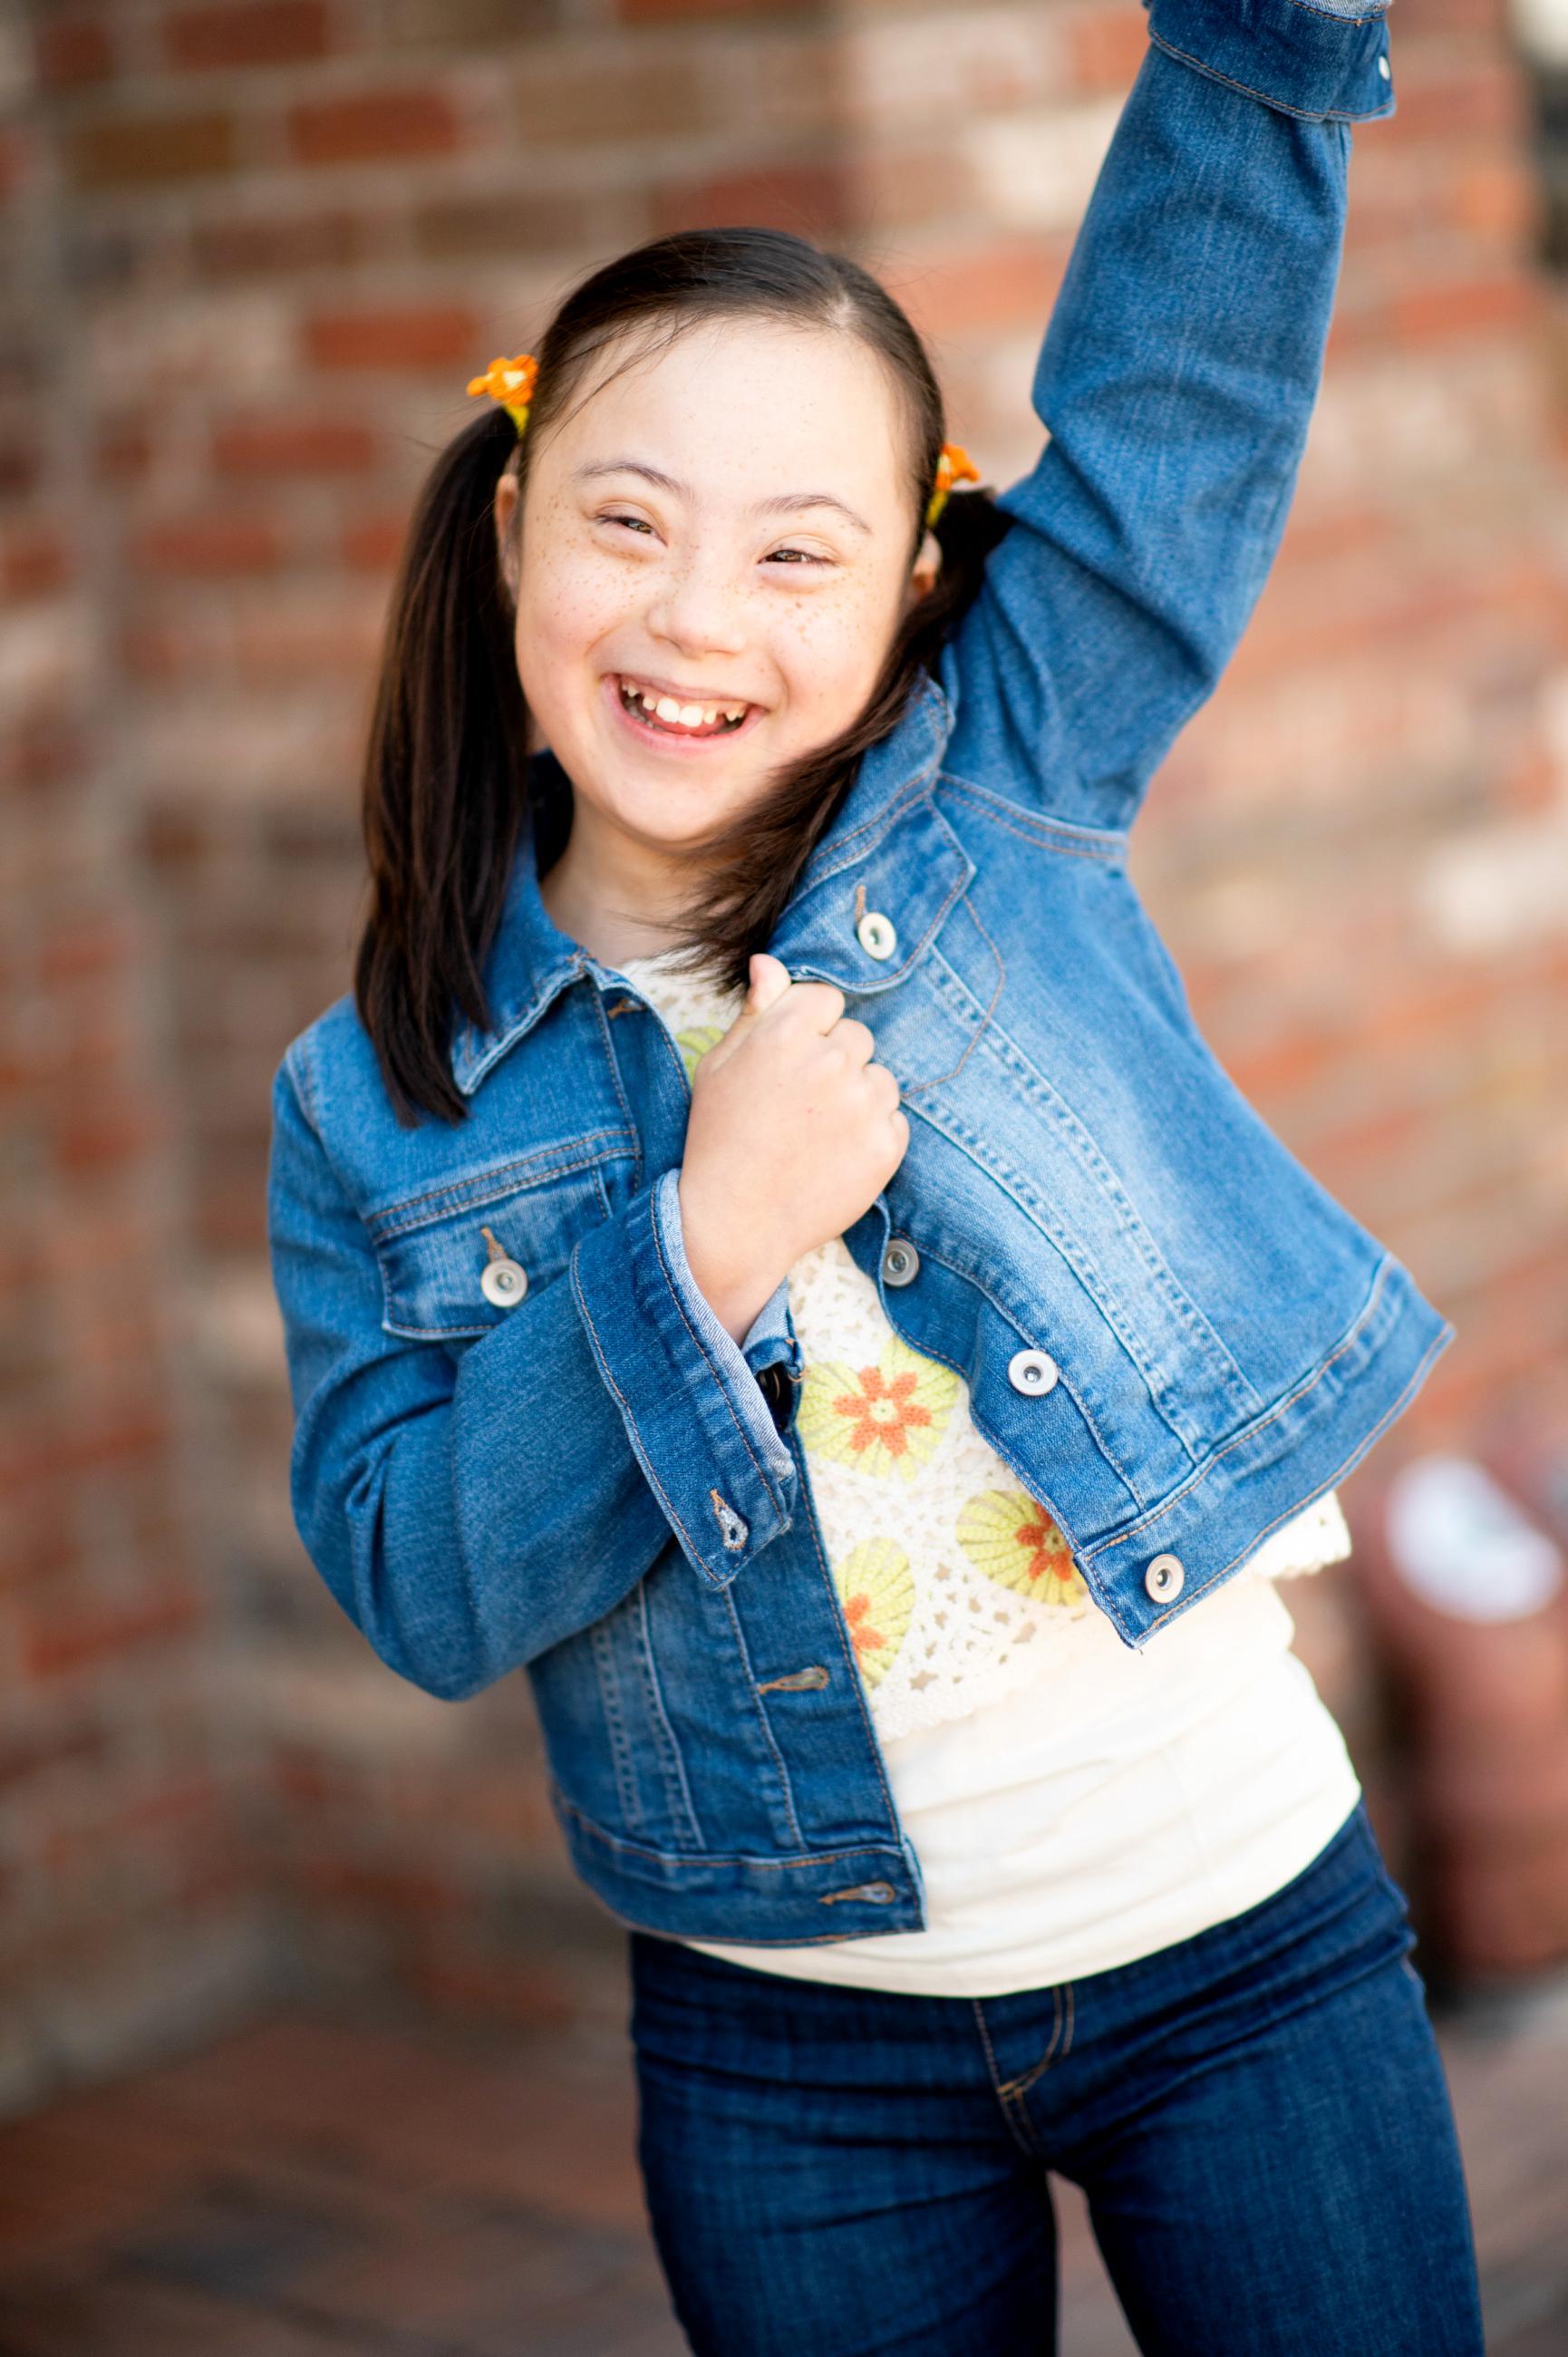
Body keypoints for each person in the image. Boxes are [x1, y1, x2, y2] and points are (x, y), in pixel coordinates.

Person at [266, 0, 1490, 2345]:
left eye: (796, 554)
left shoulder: (1001, 784)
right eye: (628, 524)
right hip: (785, 2051)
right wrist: (697, 1246)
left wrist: (1265, 42)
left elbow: (1177, 405)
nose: (696, 618)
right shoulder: (371, 1100)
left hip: (1238, 1936)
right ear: (513, 535)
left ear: (917, 592)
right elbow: (423, 1588)